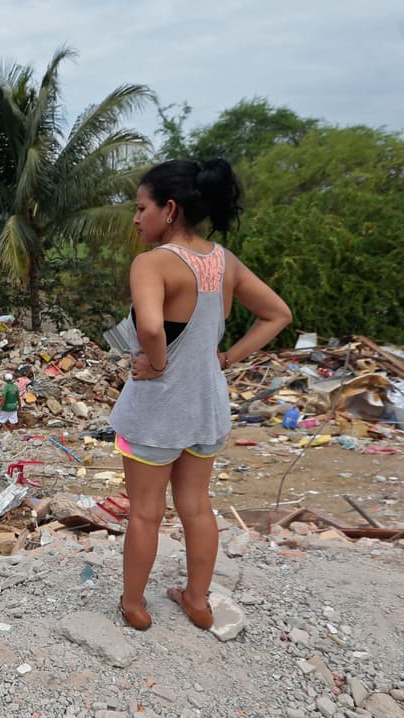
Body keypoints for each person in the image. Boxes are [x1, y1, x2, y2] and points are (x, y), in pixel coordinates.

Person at [109, 159, 291, 632]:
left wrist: (158, 362)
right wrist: (225, 359)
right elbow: (277, 314)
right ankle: (196, 600)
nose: (136, 217)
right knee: (196, 507)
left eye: (140, 207)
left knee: (146, 514)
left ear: (168, 209)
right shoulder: (224, 261)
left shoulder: (152, 264)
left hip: (156, 411)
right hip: (207, 407)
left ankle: (135, 607)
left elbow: (150, 326)